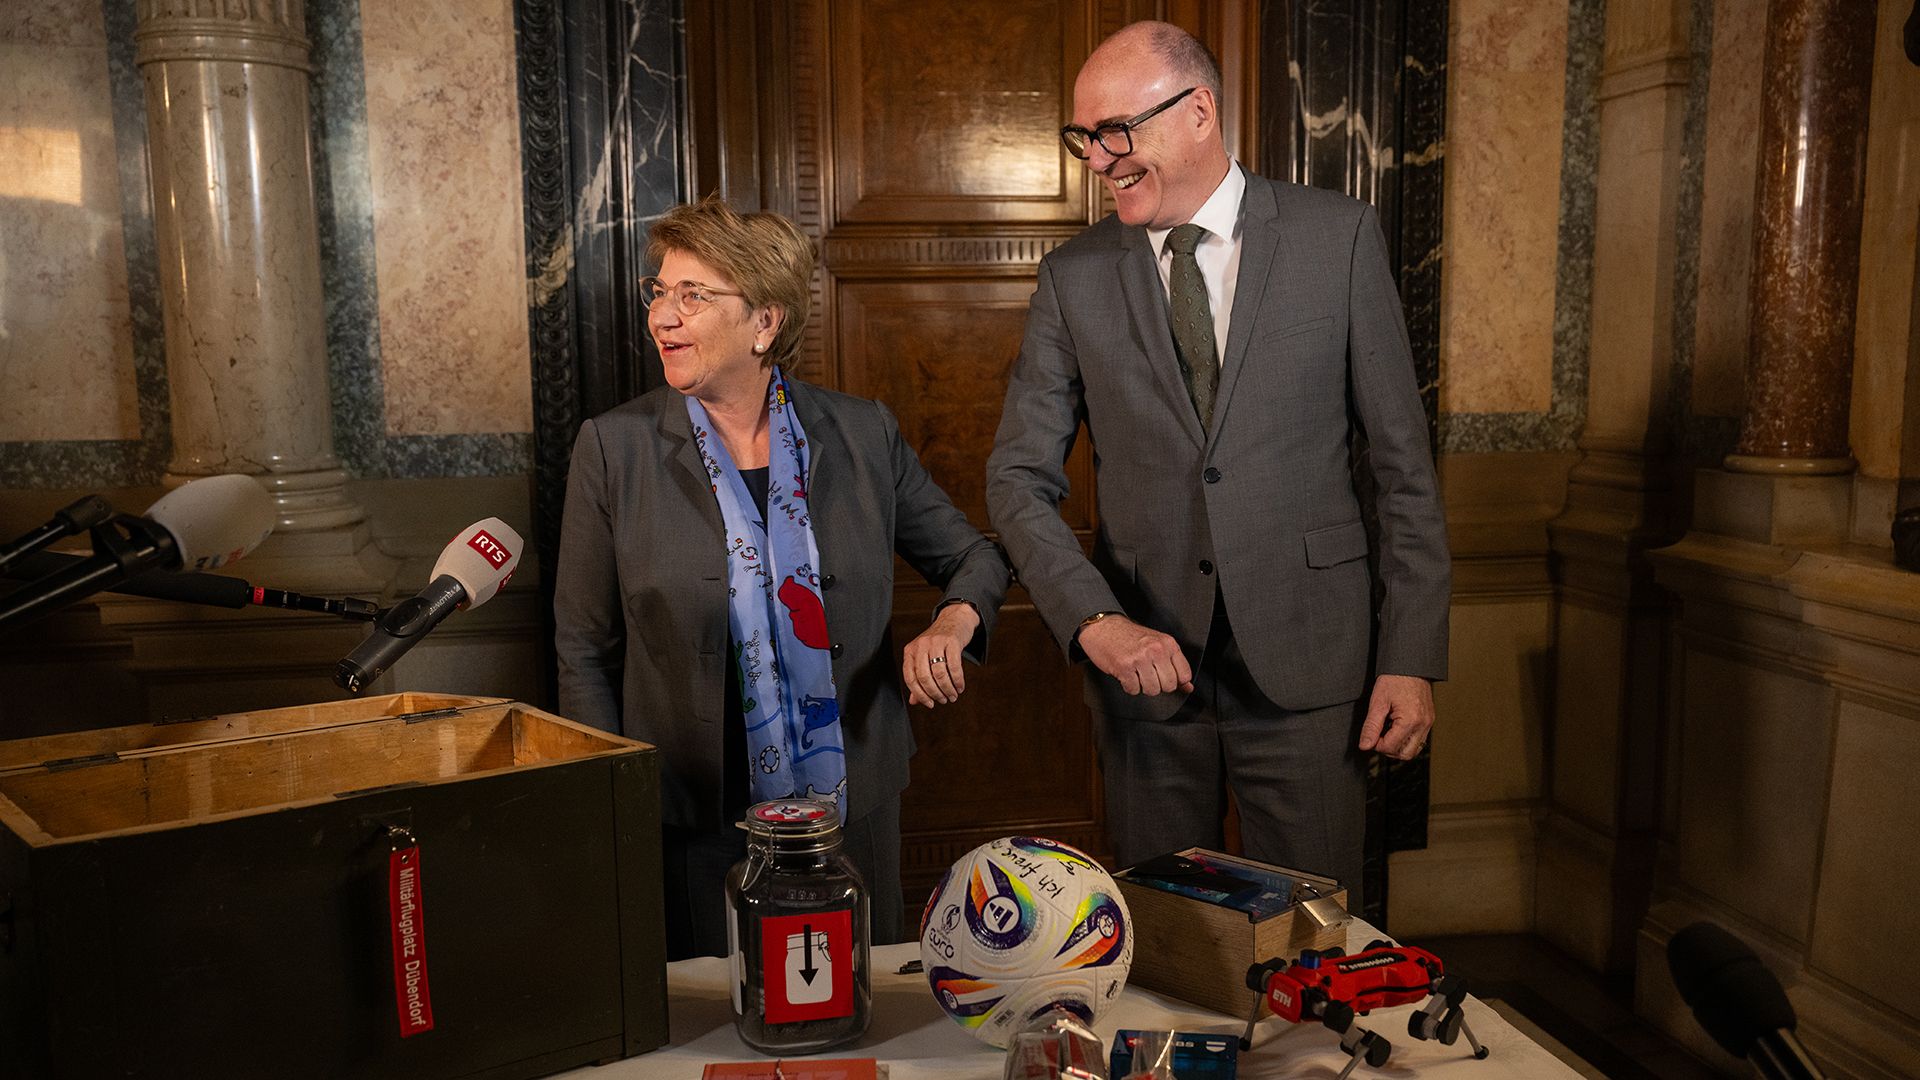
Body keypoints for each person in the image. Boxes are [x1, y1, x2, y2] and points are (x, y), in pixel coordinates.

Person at [984, 22, 1449, 905]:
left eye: (1117, 130)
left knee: (1314, 935)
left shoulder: (1338, 237)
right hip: (1145, 674)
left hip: (1314, 663)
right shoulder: (1073, 276)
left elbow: (1402, 469)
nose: (1099, 159)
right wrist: (1095, 621)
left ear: (1199, 111)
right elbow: (1016, 480)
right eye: (1085, 137)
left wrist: (1411, 655)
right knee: (1169, 942)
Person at [556, 196, 1009, 957]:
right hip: (691, 814)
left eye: (692, 295)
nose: (662, 316)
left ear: (764, 322)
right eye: (659, 292)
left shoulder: (862, 432)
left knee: (855, 996)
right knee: (710, 1013)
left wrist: (953, 621)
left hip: (852, 805)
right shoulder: (613, 449)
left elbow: (975, 558)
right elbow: (583, 649)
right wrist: (612, 799)